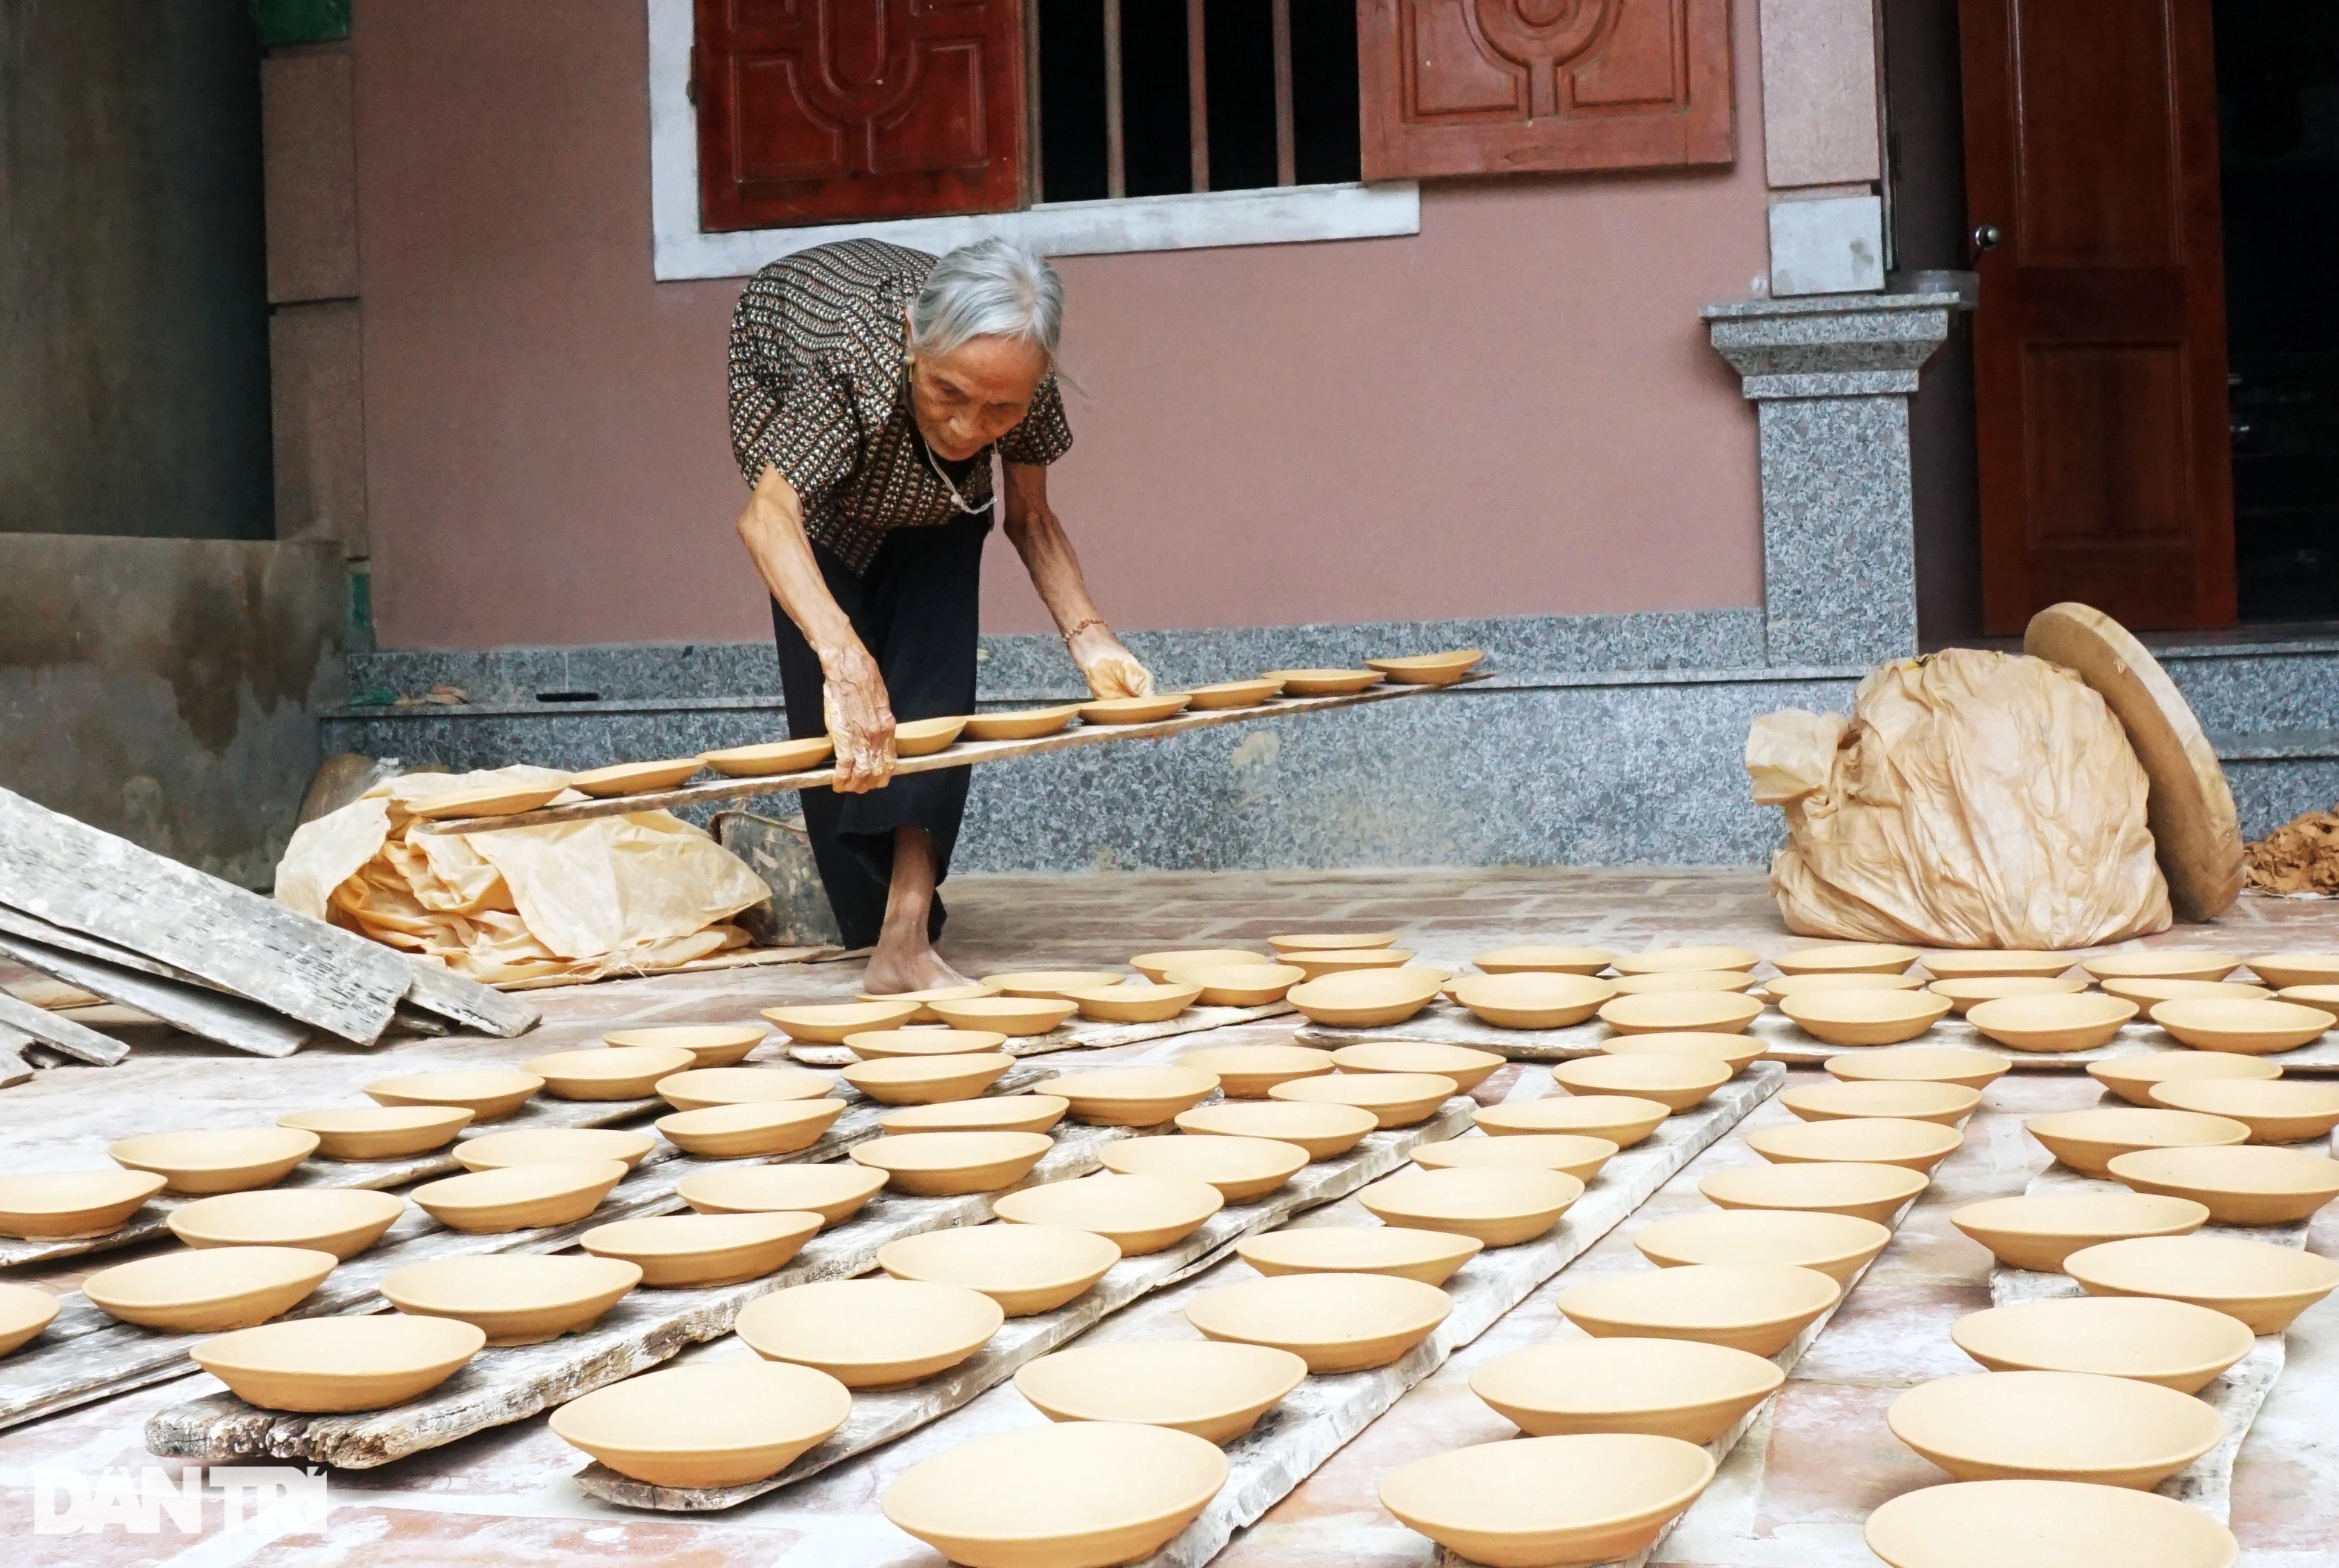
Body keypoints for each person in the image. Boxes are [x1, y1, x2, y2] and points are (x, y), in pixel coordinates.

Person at [727, 237, 1152, 992]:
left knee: (933, 692)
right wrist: (845, 659)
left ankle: (906, 937)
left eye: (999, 408)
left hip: (937, 500)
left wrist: (1094, 643)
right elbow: (769, 519)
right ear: (912, 340)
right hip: (814, 494)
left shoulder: (1020, 377)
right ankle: (875, 918)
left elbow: (1031, 517)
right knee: (849, 722)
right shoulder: (850, 359)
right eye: (948, 393)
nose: (967, 427)